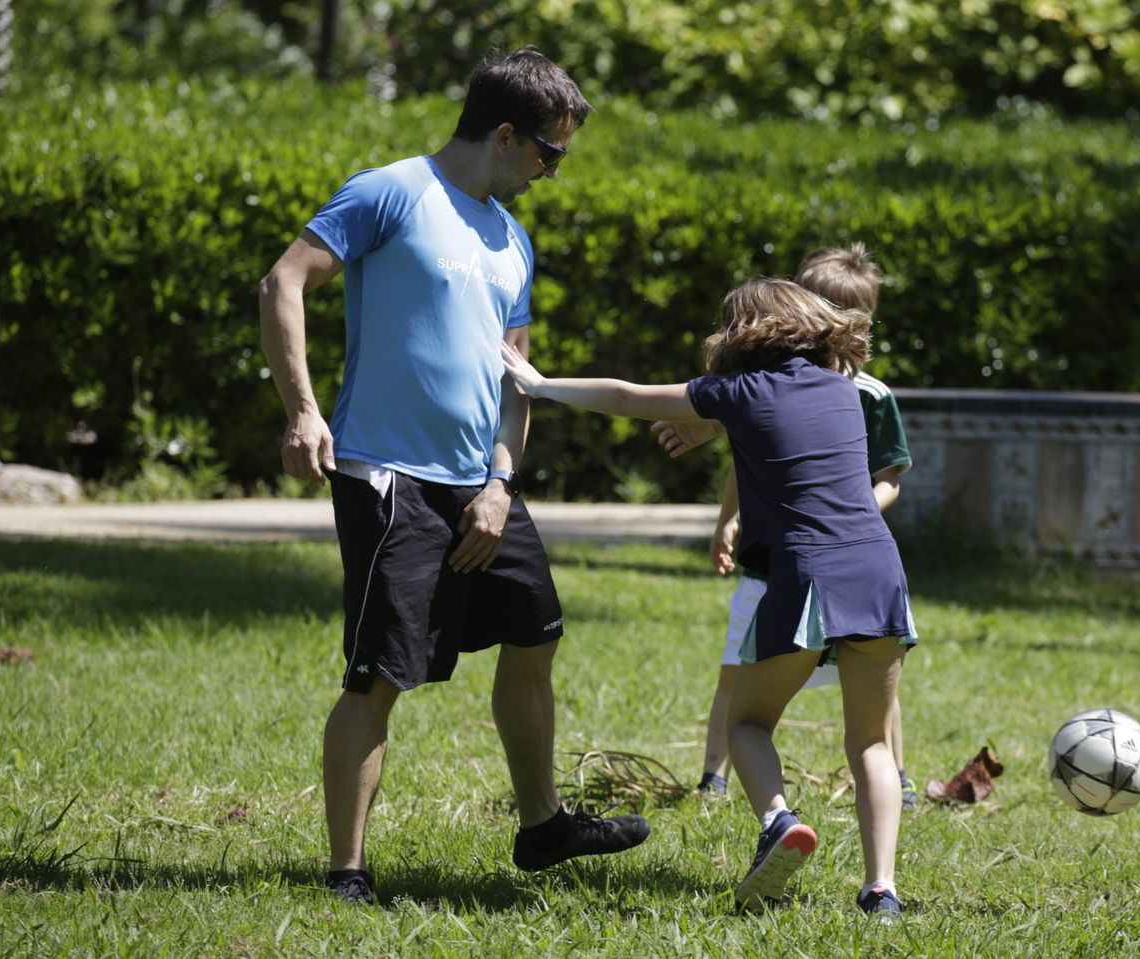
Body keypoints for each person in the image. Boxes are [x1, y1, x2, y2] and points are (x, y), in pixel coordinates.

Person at [257, 48, 649, 907]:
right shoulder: (391, 192)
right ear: (505, 136)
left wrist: (502, 482)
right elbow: (285, 281)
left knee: (536, 629)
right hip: (386, 475)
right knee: (379, 673)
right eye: (552, 152)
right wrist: (303, 409)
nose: (555, 171)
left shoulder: (515, 240)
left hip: (479, 485)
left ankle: (543, 823)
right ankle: (348, 872)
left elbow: (519, 376)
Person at [501, 278, 917, 918]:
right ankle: (881, 889)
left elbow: (631, 398)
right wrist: (715, 426)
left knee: (746, 722)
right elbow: (790, 436)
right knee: (871, 744)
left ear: (741, 337)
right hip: (879, 570)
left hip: (808, 574)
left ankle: (779, 822)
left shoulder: (740, 391)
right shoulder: (842, 390)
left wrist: (541, 384)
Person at [654, 244, 916, 808]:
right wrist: (729, 520)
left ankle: (900, 775)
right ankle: (714, 777)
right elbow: (752, 456)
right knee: (739, 670)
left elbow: (890, 473)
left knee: (872, 691)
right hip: (785, 559)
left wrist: (853, 513)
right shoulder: (773, 383)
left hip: (836, 555)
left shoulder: (867, 396)